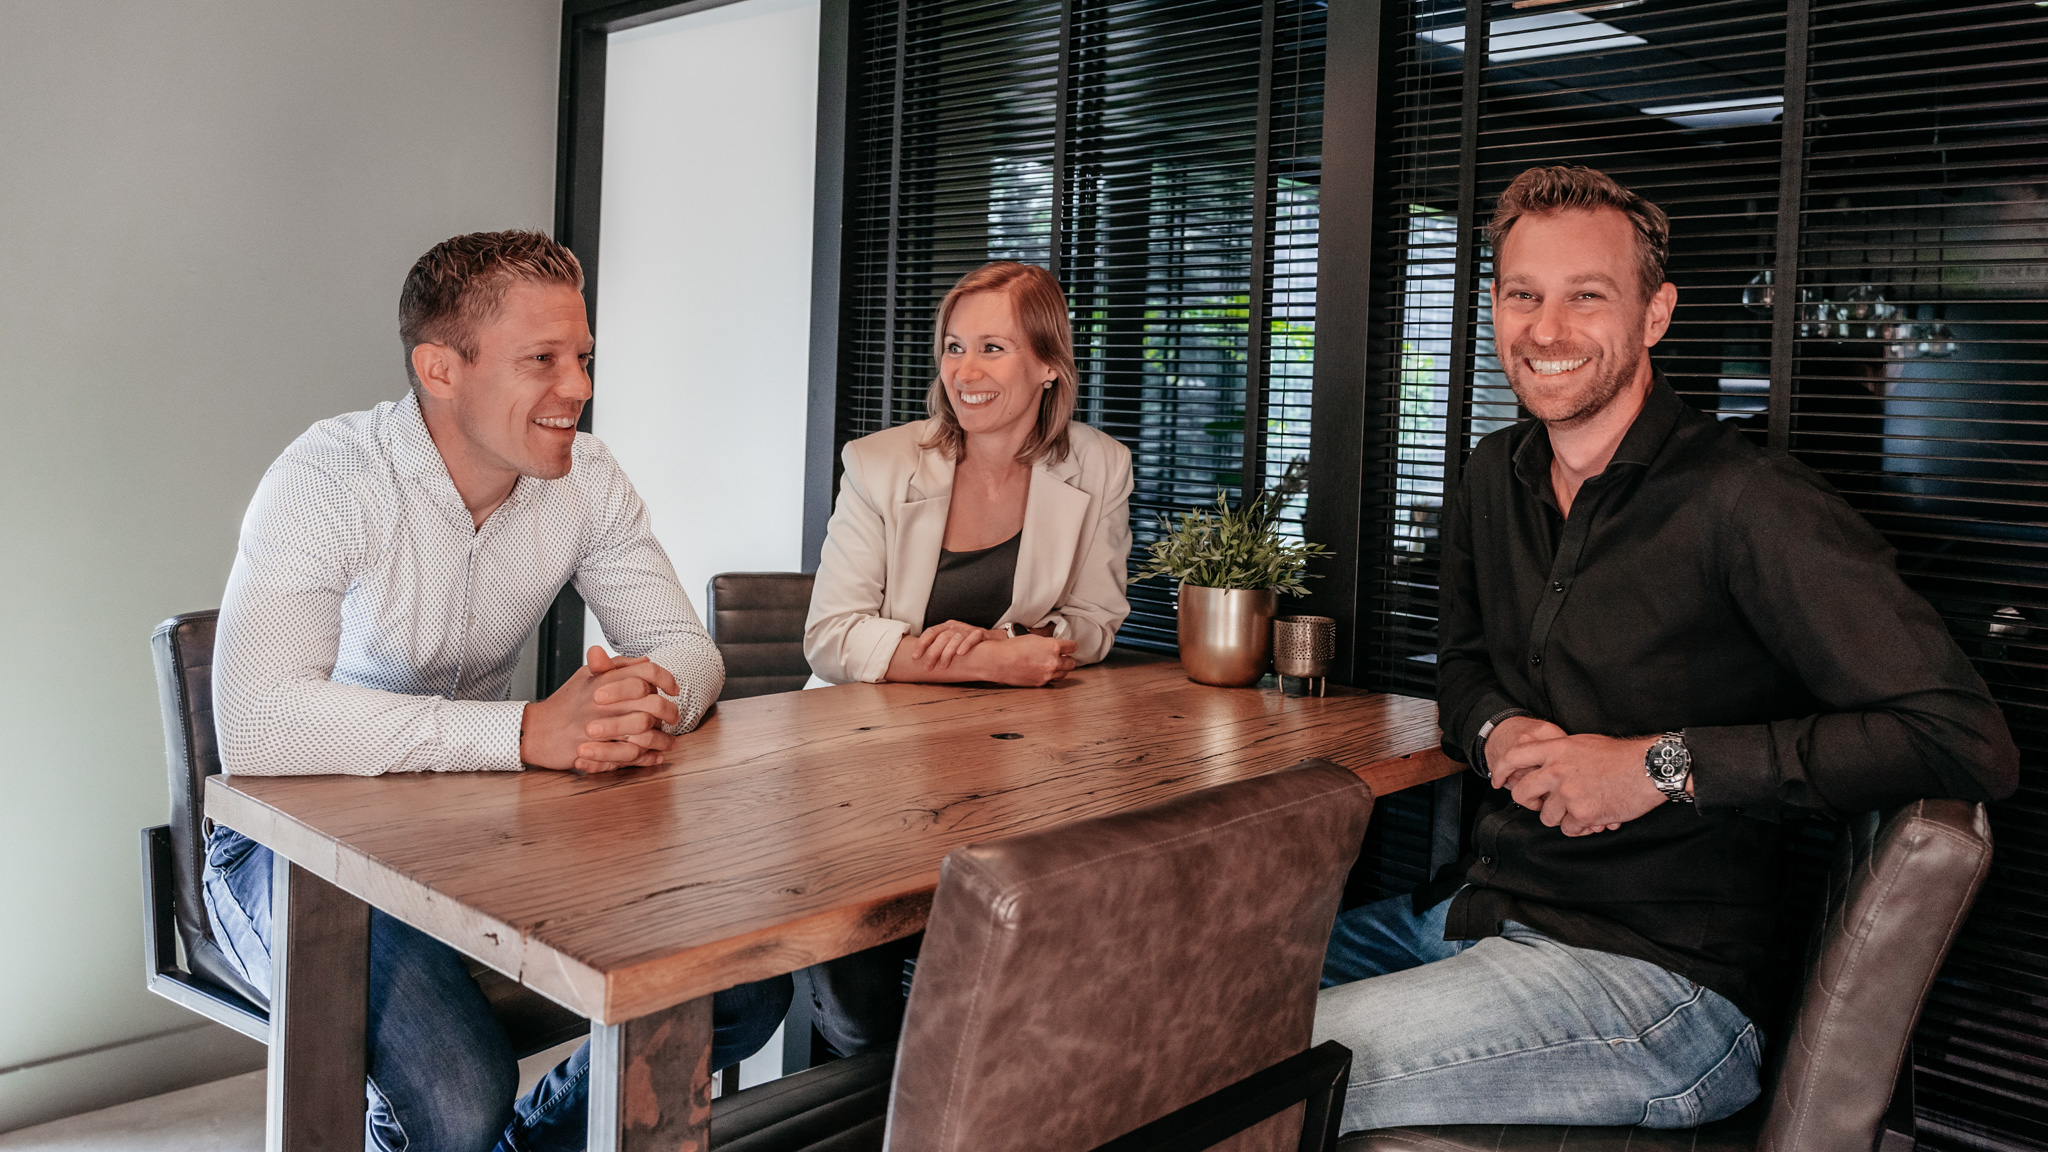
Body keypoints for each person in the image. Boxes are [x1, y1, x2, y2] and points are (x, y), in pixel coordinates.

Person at [1311, 166, 2018, 1132]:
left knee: (1245, 1065)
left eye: (1586, 296)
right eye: (1523, 294)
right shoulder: (1493, 474)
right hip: (1475, 915)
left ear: (1655, 315)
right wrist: (1496, 730)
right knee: (1163, 1009)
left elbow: (1964, 738)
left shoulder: (1748, 503)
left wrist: (1660, 767)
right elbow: (1465, 665)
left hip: (1663, 987)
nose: (1546, 329)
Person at [204, 230, 790, 1152]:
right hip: (290, 853)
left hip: (475, 833)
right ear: (441, 368)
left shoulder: (585, 479)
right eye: (543, 360)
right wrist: (525, 733)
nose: (581, 389)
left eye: (584, 358)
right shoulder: (327, 479)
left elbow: (683, 644)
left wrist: (647, 697)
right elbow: (258, 727)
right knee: (456, 1090)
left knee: (747, 985)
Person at [800, 259, 1134, 1055]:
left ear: (1049, 364)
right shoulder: (879, 464)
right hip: (861, 764)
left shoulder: (1099, 466)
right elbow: (830, 636)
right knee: (863, 1015)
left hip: (1008, 761)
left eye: (993, 348)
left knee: (1050, 957)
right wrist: (972, 662)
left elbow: (1093, 619)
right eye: (954, 347)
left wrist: (1012, 644)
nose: (965, 372)